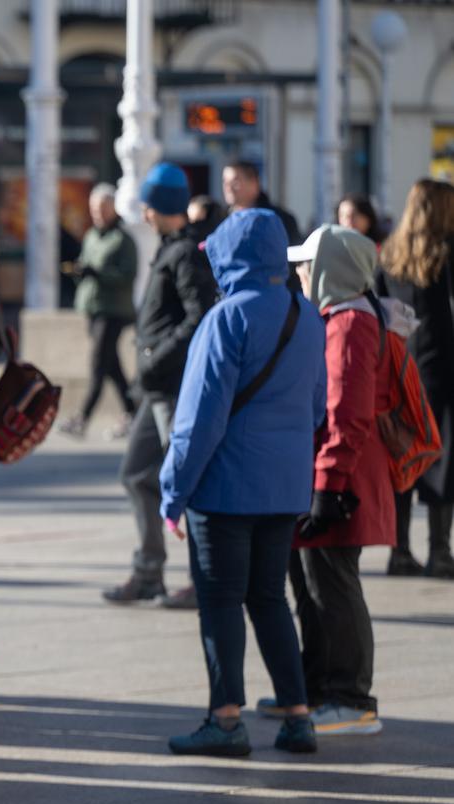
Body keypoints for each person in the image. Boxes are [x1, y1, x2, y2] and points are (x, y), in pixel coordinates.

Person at [160, 209, 326, 757]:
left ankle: (226, 720)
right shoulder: (306, 315)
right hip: (284, 488)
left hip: (226, 487)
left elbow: (198, 421)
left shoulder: (225, 318)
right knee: (270, 599)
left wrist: (173, 493)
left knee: (222, 602)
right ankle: (298, 716)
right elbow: (317, 408)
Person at [258, 225, 396, 739]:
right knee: (312, 585)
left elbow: (348, 413)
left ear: (329, 269)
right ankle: (313, 689)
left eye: (305, 264)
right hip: (326, 473)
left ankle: (350, 697)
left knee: (332, 587)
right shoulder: (339, 316)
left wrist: (328, 484)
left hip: (340, 479)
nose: (298, 271)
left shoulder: (349, 323)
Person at [103, 163, 217, 608]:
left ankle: (201, 576)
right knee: (136, 474)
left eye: (148, 205)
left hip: (171, 387)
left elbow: (198, 315)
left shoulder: (186, 252)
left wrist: (156, 356)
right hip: (155, 388)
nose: (144, 213)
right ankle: (149, 570)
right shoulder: (170, 248)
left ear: (159, 208)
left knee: (186, 480)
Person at [378, 179, 454, 579]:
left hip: (400, 369)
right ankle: (440, 552)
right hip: (443, 368)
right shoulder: (447, 252)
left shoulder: (389, 254)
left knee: (403, 455)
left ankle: (399, 550)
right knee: (441, 459)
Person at [64, 183, 138, 438]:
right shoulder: (92, 236)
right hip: (93, 306)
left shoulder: (123, 239)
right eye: (94, 208)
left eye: (103, 208)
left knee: (98, 364)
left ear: (113, 208)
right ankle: (134, 412)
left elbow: (128, 274)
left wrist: (99, 274)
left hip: (114, 309)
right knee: (111, 365)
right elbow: (86, 265)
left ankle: (82, 417)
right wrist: (79, 272)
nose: (98, 213)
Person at [221, 160, 302, 244]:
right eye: (225, 182)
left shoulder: (278, 220)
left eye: (235, 182)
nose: (228, 188)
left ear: (254, 183)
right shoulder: (220, 219)